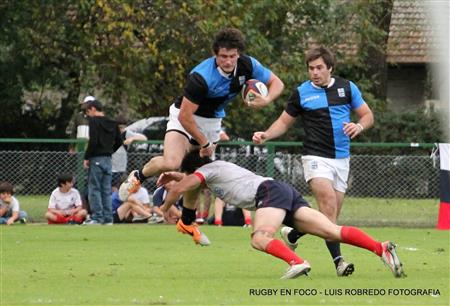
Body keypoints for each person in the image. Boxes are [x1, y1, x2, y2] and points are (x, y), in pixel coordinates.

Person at [158, 150, 404, 279]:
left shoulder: (209, 170)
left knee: (259, 237)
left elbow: (183, 187)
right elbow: (188, 183)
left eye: (187, 174)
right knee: (332, 231)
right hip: (281, 190)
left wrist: (165, 208)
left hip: (268, 192)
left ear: (194, 170)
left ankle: (297, 262)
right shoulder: (213, 173)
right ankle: (380, 248)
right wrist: (177, 177)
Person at [119, 27, 284, 201]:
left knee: (200, 174)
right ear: (215, 55)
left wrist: (266, 100)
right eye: (223, 56)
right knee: (171, 163)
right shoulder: (201, 76)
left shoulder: (247, 64)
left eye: (232, 56)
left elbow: (277, 83)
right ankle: (139, 176)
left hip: (212, 121)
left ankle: (187, 221)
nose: (228, 61)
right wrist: (205, 143)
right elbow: (185, 116)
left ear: (238, 54)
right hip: (184, 115)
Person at [252, 46, 375, 277]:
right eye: (311, 68)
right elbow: (284, 122)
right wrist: (267, 134)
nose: (315, 72)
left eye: (319, 68)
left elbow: (367, 115)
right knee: (328, 206)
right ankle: (339, 261)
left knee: (331, 217)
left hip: (342, 160)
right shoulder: (301, 93)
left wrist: (358, 125)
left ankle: (294, 233)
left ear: (330, 68)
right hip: (315, 157)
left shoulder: (347, 88)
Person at [83, 100, 122, 225]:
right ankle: (108, 218)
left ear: (93, 109)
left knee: (94, 188)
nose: (88, 115)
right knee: (106, 189)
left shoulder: (94, 121)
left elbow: (93, 140)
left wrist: (87, 157)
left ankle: (97, 217)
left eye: (88, 111)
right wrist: (110, 150)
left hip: (96, 158)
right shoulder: (113, 123)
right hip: (107, 159)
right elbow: (119, 141)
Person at [112, 116, 148, 188]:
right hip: (109, 167)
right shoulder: (109, 133)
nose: (121, 130)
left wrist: (132, 139)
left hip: (121, 168)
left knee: (118, 187)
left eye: (123, 127)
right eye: (119, 128)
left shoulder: (126, 134)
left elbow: (144, 138)